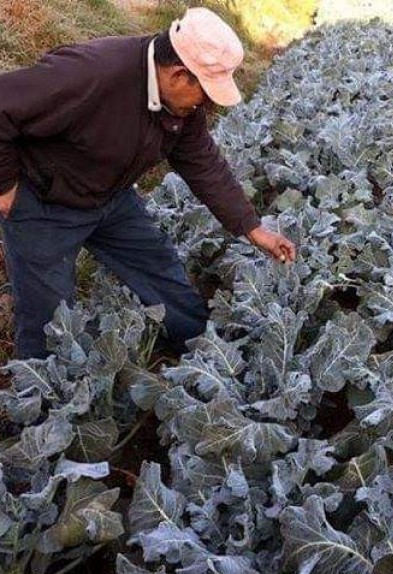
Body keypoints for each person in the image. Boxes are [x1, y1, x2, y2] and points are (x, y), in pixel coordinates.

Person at [0, 7, 296, 359]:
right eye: (205, 92)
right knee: (48, 320)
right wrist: (5, 186)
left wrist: (251, 227)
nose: (207, 105)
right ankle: (42, 402)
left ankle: (203, 353)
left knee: (161, 271)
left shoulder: (182, 107)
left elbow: (203, 162)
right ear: (179, 74)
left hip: (110, 199)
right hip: (45, 205)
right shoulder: (91, 73)